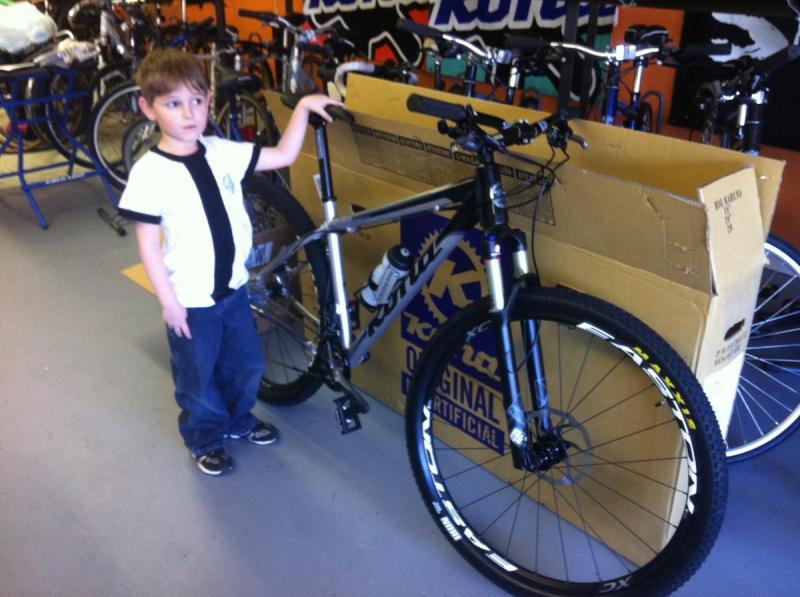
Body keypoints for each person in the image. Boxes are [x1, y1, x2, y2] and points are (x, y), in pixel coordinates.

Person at [117, 47, 343, 476]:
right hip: (191, 302)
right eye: (173, 103)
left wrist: (305, 107)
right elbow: (147, 244)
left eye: (197, 101)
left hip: (235, 290)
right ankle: (204, 437)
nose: (189, 113)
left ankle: (239, 419)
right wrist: (169, 302)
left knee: (247, 365)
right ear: (148, 108)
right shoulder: (150, 173)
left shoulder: (220, 150)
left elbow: (282, 156)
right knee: (198, 379)